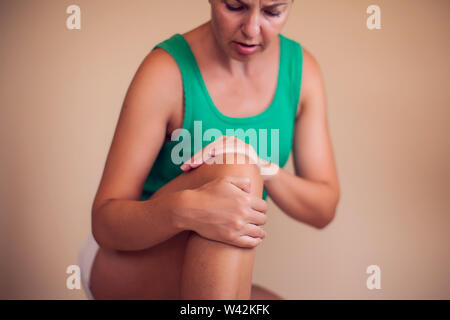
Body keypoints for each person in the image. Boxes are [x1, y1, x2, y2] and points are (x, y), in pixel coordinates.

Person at [80, 0, 340, 300]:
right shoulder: (166, 70)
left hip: (205, 271)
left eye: (272, 12)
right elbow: (105, 223)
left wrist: (263, 167)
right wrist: (189, 211)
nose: (252, 29)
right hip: (126, 262)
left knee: (244, 169)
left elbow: (323, 208)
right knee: (237, 174)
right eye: (235, 6)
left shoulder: (302, 71)